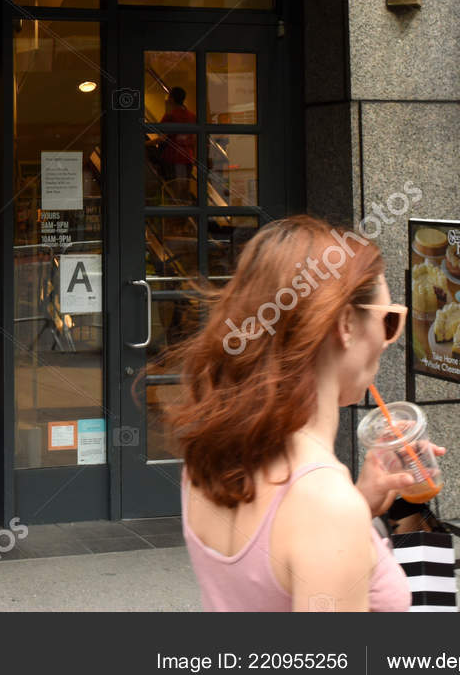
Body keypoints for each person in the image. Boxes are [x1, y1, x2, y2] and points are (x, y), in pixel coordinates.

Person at [169, 215, 427, 611]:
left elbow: (266, 570)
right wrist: (345, 512)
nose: (389, 340)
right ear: (345, 323)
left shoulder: (209, 457)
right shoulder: (326, 506)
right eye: (388, 319)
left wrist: (361, 504)